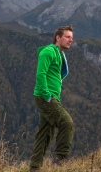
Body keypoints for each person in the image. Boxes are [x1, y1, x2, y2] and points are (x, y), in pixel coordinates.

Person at [29, 25, 75, 171]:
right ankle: (60, 161)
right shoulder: (48, 51)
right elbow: (40, 75)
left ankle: (35, 167)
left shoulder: (60, 54)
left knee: (45, 134)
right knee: (67, 123)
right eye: (67, 37)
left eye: (72, 38)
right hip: (46, 97)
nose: (71, 40)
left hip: (52, 97)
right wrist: (47, 96)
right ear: (58, 37)